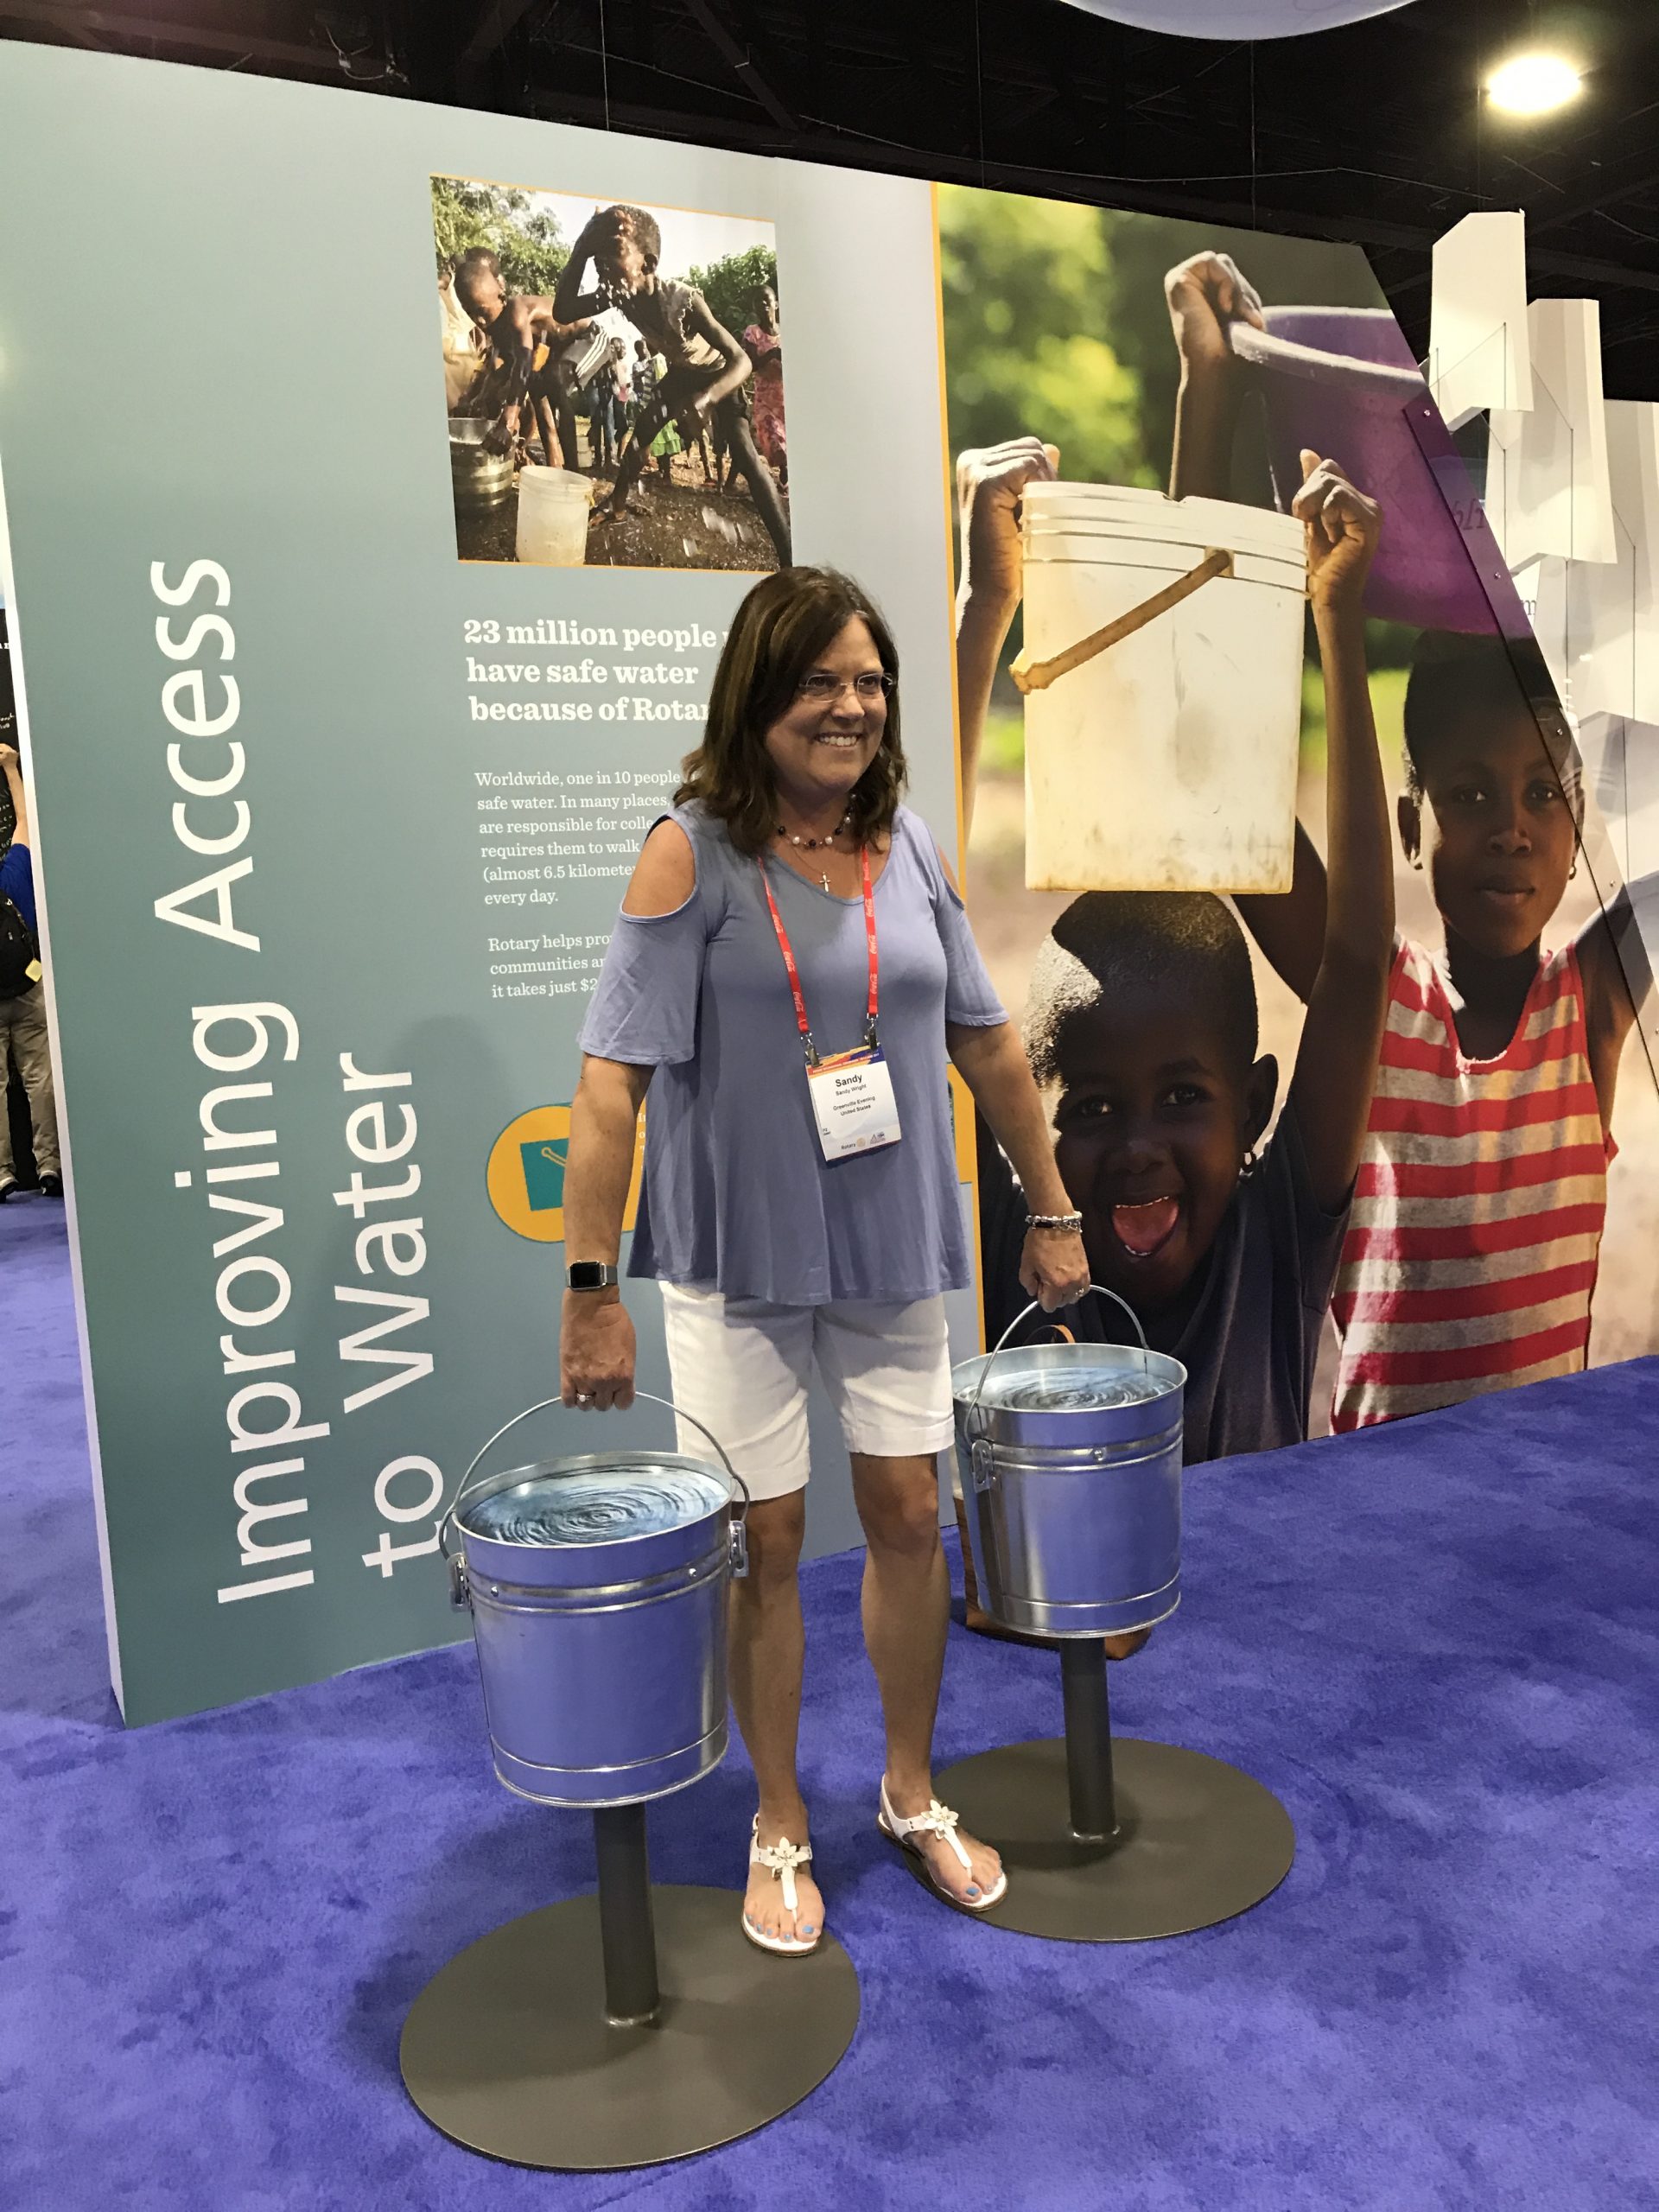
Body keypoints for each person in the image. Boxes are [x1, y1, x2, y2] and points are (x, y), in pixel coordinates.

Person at [560, 567, 1090, 1955]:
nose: (849, 707)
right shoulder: (689, 852)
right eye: (819, 683)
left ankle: (911, 1794)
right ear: (758, 697)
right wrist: (589, 1291)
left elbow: (985, 1040)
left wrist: (1051, 1206)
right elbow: (609, 1084)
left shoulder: (905, 844)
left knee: (913, 1516)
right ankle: (780, 1819)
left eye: (868, 681)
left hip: (895, 1241)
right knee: (769, 1541)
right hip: (737, 1258)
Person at [1164, 249, 1656, 1427]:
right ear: (1408, 820)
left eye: (1546, 798)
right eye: (1472, 798)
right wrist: (1212, 393)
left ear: (1584, 819)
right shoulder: (1375, 1009)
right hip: (1386, 1525)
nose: (1514, 833)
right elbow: (1212, 782)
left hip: (1547, 1504)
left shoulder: (1590, 1008)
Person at [955, 437, 1392, 1471]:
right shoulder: (1016, 1246)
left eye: (1185, 1096)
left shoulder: (1278, 1232)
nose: (1140, 1143)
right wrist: (984, 608)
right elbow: (907, 926)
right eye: (1092, 1109)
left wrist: (1339, 620)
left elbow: (1358, 961)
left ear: (1255, 1103)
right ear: (1029, 1123)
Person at [554, 205, 791, 563]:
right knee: (644, 432)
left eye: (612, 253)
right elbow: (563, 310)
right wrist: (582, 247)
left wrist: (707, 399)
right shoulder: (618, 293)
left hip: (717, 375)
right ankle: (617, 505)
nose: (601, 263)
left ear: (647, 264)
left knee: (745, 454)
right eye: (597, 256)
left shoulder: (684, 300)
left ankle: (789, 552)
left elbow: (740, 360)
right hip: (682, 373)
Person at [451, 246, 591, 469]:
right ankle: (556, 469)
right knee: (538, 393)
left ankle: (573, 472)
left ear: (501, 295)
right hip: (553, 349)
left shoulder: (516, 311)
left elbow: (523, 361)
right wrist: (478, 399)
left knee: (554, 383)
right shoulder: (496, 327)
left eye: (483, 312)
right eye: (471, 313)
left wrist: (508, 419)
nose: (480, 321)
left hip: (587, 337)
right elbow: (499, 370)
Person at [0, 741, 60, 1203]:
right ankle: (50, 1166)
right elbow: (27, 826)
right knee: (39, 1075)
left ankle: (2, 1173)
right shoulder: (13, 874)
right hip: (27, 986)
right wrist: (10, 769)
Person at [742, 282, 787, 492]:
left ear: (776, 304)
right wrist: (771, 354)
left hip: (787, 396)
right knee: (775, 439)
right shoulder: (753, 334)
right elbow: (751, 365)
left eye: (766, 299)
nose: (762, 304)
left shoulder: (787, 331)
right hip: (766, 400)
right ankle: (785, 473)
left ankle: (786, 480)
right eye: (757, 301)